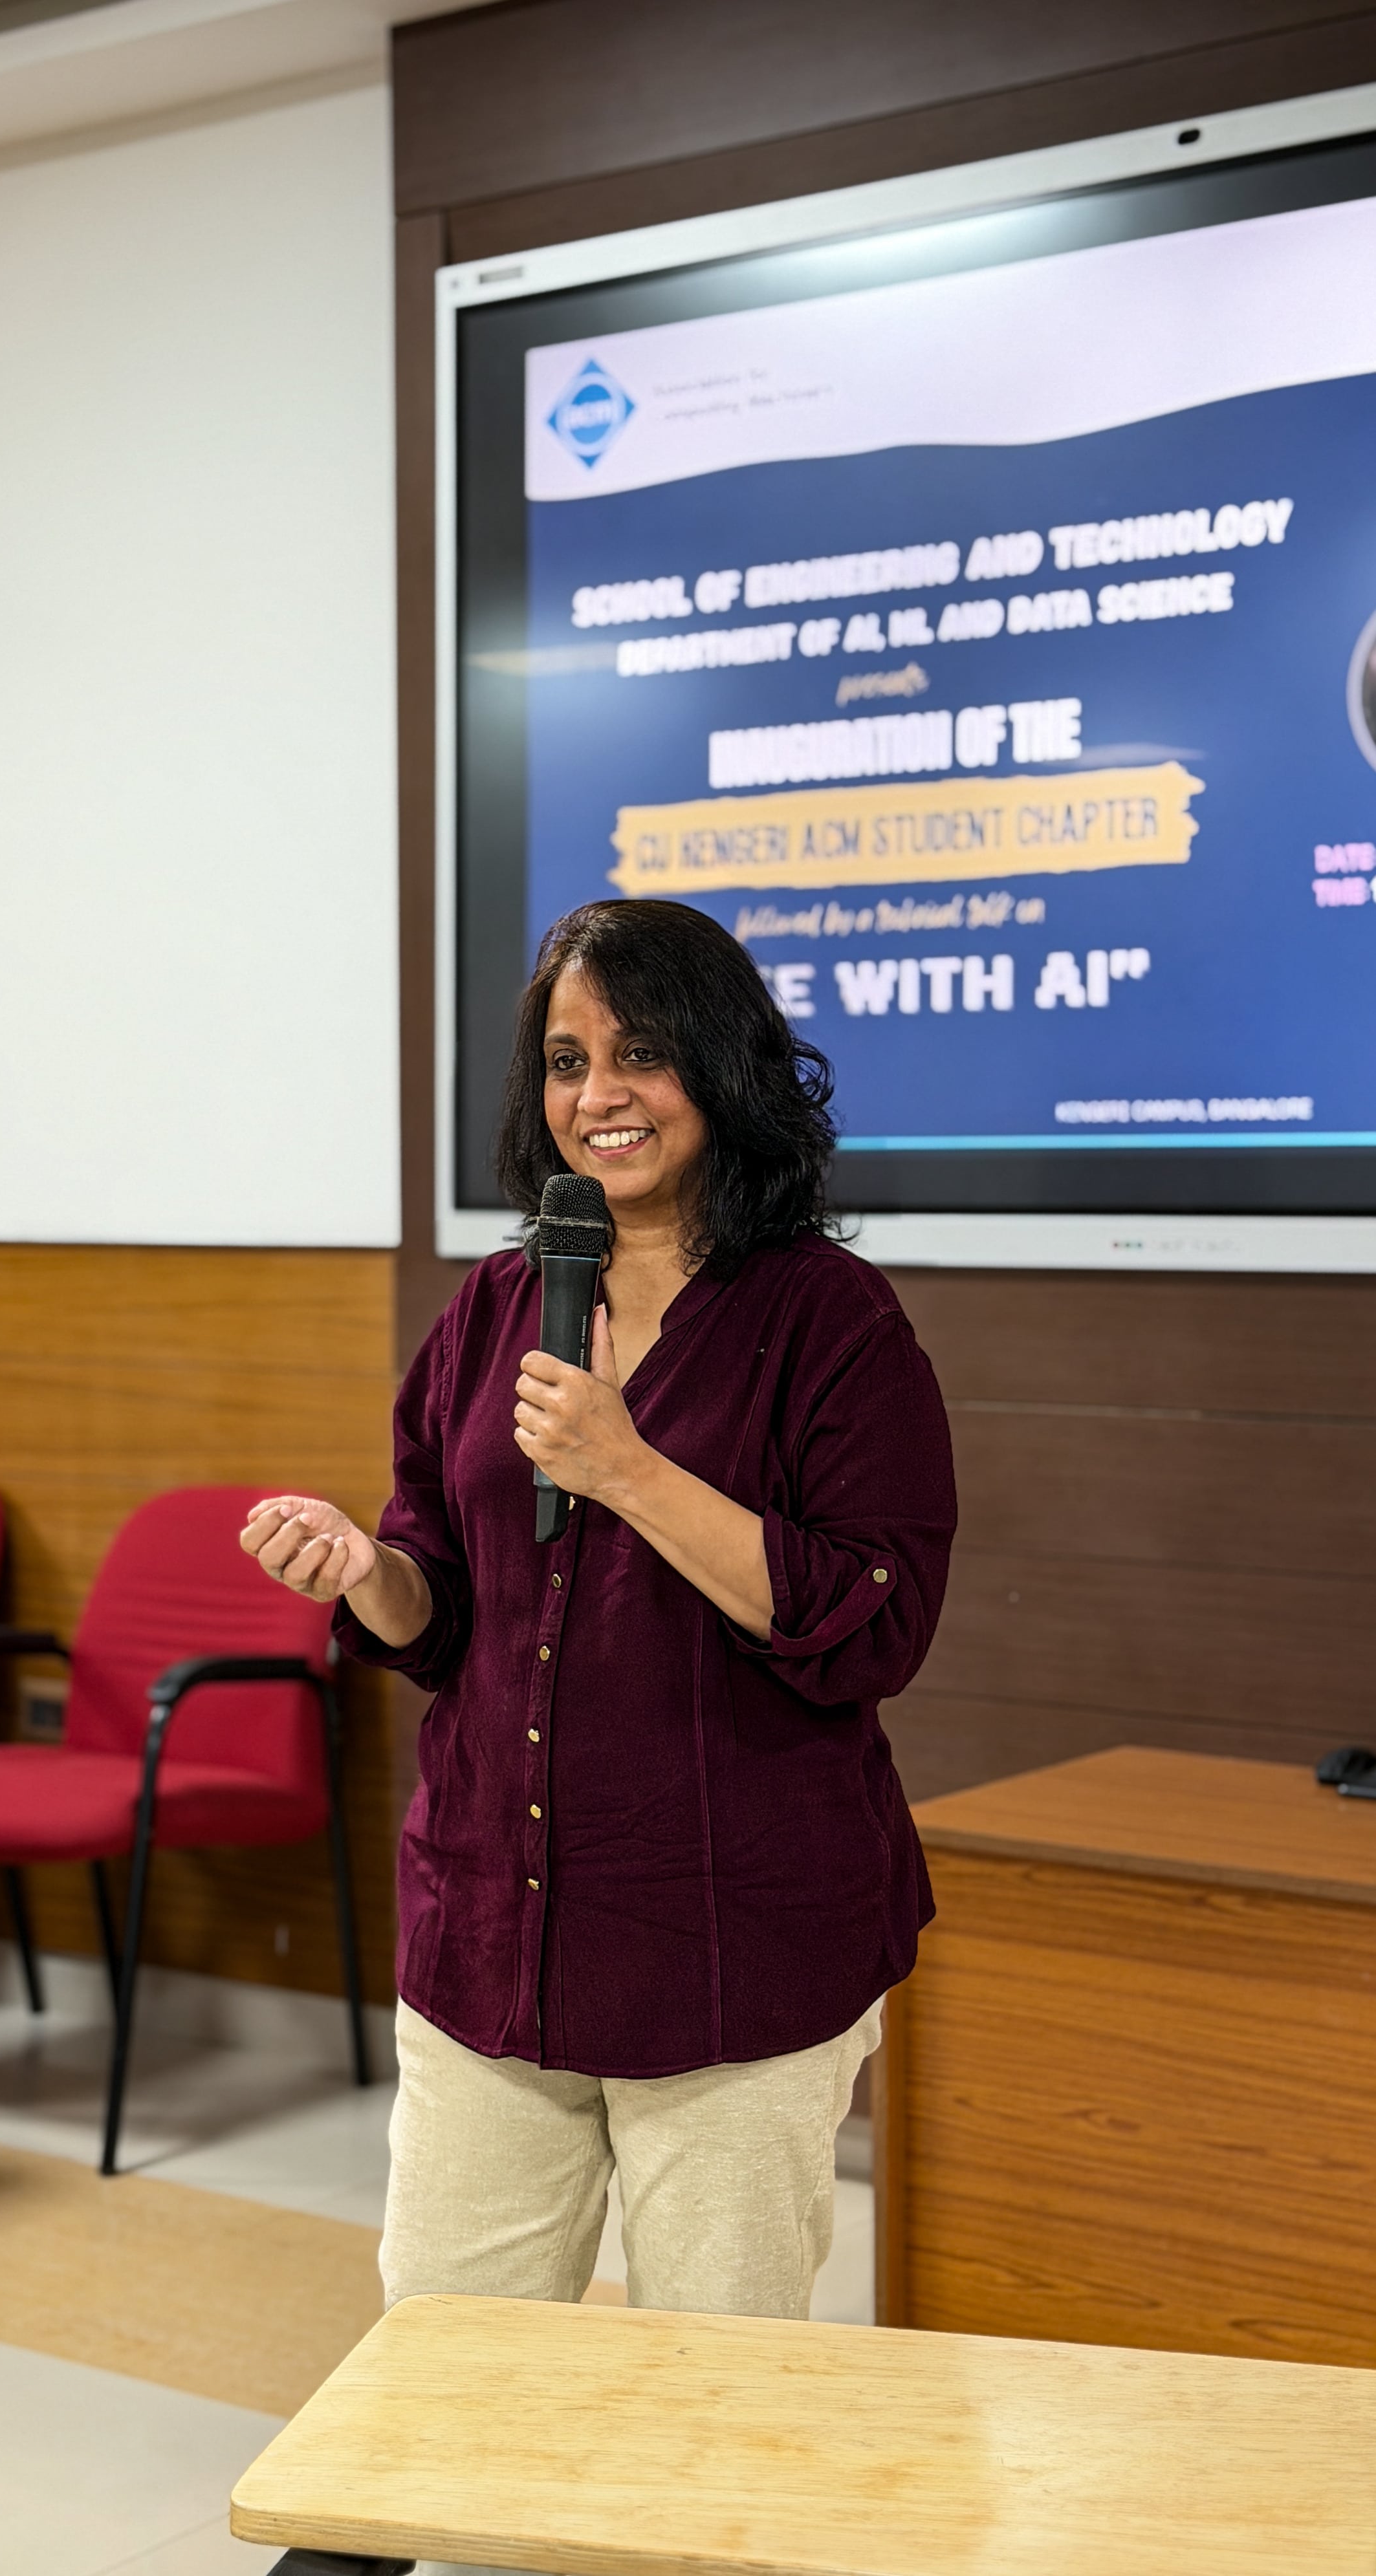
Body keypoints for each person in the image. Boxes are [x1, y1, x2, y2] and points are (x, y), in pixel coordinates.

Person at [241, 898, 956, 2318]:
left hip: (734, 1957)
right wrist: (364, 1573)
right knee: (448, 2376)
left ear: (723, 1069)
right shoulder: (496, 1305)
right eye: (566, 1063)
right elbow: (441, 1606)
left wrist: (625, 1470)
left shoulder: (832, 1320)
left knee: (712, 2409)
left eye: (640, 1053)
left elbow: (870, 1626)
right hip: (492, 1941)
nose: (600, 1097)